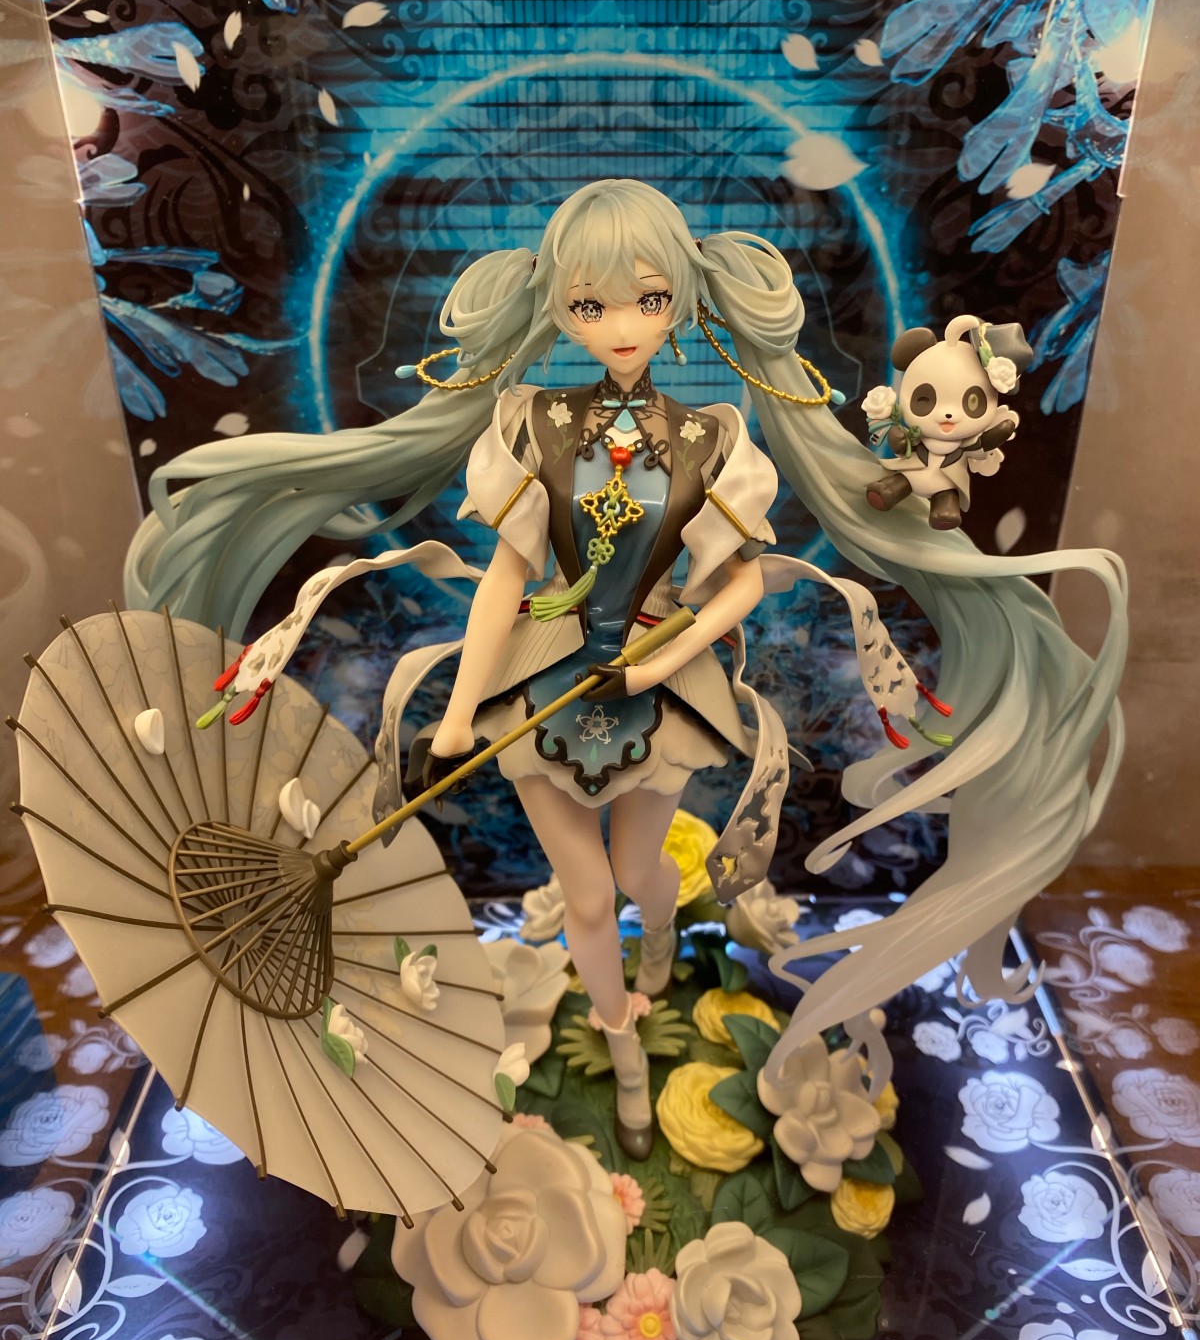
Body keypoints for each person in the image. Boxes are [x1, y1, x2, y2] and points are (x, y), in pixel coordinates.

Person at [126, 179, 1127, 1156]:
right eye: (590, 304)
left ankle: (660, 942)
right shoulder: (528, 425)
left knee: (643, 872)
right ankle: (623, 1045)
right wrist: (461, 709)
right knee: (586, 894)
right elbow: (505, 578)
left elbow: (741, 580)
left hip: (663, 681)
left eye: (647, 301)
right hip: (543, 672)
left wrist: (672, 653)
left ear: (680, 304)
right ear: (559, 308)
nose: (619, 326)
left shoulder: (712, 438)